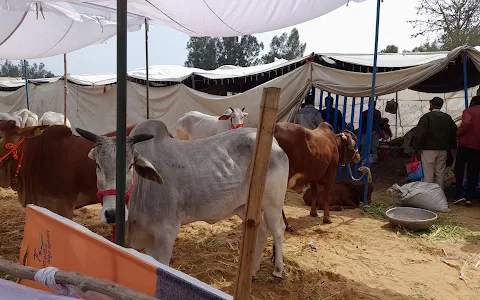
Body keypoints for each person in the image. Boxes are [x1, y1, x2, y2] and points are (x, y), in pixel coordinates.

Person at [414, 97, 458, 189]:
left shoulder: (426, 117)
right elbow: (454, 133)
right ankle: (439, 193)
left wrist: (417, 147)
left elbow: (420, 134)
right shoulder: (447, 118)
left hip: (428, 149)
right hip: (443, 149)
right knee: (440, 172)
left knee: (428, 172)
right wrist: (452, 147)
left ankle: (428, 194)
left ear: (431, 105)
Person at [454, 95, 480, 206]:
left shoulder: (468, 111)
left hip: (465, 144)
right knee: (473, 172)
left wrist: (458, 133)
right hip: (478, 146)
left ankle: (458, 195)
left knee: (459, 169)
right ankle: (469, 197)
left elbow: (467, 123)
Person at [361, 99, 383, 164]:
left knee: (373, 146)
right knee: (365, 145)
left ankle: (373, 159)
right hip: (366, 131)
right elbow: (363, 123)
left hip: (374, 131)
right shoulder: (365, 113)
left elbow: (378, 123)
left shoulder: (377, 113)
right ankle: (363, 158)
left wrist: (376, 130)